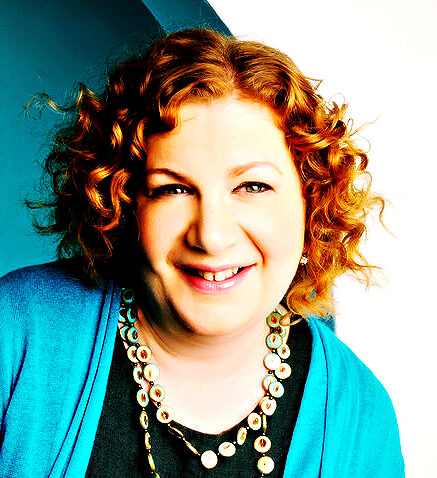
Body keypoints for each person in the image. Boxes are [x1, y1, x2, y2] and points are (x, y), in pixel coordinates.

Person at [0, 28, 404, 477]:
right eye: (172, 189)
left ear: (312, 203)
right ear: (124, 204)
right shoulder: (16, 332)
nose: (211, 236)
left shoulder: (362, 419)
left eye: (252, 186)